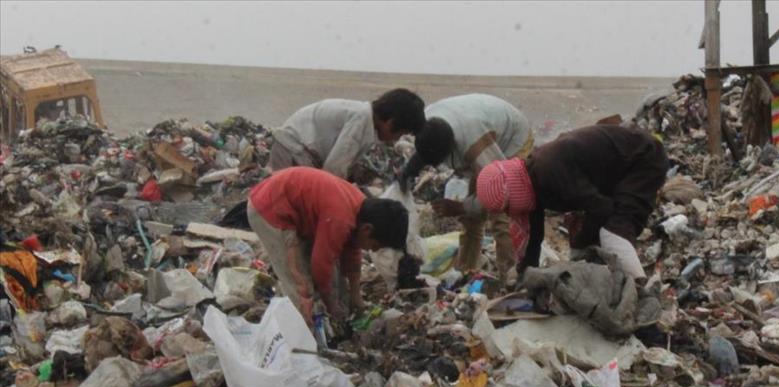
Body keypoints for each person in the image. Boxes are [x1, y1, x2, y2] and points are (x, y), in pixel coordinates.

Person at [474, 124, 669, 280]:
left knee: (614, 232)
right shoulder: (530, 179)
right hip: (612, 172)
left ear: (513, 191)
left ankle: (641, 296)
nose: (509, 212)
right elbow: (534, 236)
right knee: (582, 241)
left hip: (643, 159)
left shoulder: (549, 174)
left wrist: (582, 243)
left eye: (507, 207)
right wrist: (526, 276)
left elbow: (602, 208)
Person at [247, 167, 409, 324]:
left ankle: (339, 322)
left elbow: (352, 252)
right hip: (269, 207)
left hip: (296, 209)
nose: (371, 250)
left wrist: (355, 294)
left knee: (335, 281)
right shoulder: (341, 219)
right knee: (302, 287)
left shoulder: (361, 210)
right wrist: (331, 306)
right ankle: (305, 334)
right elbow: (321, 265)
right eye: (374, 246)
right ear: (367, 229)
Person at [400, 94, 533, 280]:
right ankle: (466, 273)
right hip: (482, 133)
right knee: (471, 219)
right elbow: (425, 151)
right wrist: (408, 172)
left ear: (453, 147)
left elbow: (501, 191)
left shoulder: (474, 143)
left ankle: (511, 277)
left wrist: (461, 207)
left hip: (512, 141)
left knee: (501, 217)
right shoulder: (428, 124)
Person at [269, 88, 426, 179]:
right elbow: (333, 170)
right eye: (399, 134)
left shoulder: (365, 118)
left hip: (297, 150)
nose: (396, 139)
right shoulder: (360, 119)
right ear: (391, 122)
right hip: (292, 149)